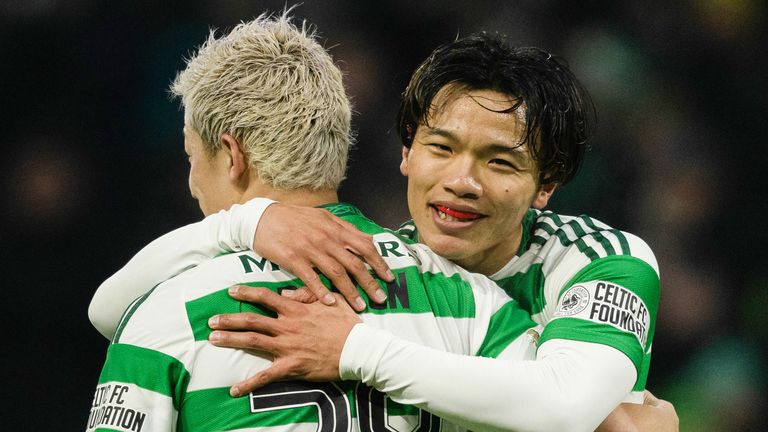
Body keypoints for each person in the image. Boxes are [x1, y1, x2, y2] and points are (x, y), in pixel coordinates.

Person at [88, 31, 676, 432]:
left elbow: (565, 407)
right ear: (406, 154)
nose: (462, 181)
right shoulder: (416, 273)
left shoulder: (598, 261)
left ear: (546, 185)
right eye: (441, 148)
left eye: (500, 162)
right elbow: (109, 309)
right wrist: (247, 221)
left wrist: (353, 349)